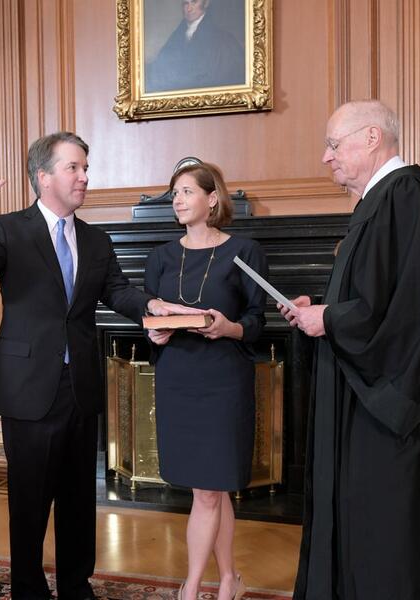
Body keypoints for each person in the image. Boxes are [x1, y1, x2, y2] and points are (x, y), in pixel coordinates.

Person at [0, 132, 199, 600]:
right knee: (29, 499)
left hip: (80, 385)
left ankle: (75, 585)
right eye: (75, 168)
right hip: (27, 387)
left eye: (86, 167)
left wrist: (152, 306)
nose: (85, 176)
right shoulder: (7, 229)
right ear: (43, 176)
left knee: (78, 498)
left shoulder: (95, 238)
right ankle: (27, 588)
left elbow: (117, 291)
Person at [280, 100, 420, 599]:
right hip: (367, 398)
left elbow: (415, 311)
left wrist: (329, 318)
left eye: (334, 144)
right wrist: (324, 306)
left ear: (371, 138)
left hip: (393, 409)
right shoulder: (381, 201)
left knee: (388, 530)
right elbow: (374, 296)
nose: (326, 157)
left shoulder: (408, 197)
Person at [144, 162, 266, 600]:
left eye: (186, 191)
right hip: (177, 377)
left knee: (210, 492)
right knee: (211, 489)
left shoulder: (244, 251)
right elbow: (154, 321)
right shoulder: (159, 257)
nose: (177, 200)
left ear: (213, 199)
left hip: (223, 380)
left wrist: (227, 327)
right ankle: (229, 579)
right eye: (174, 193)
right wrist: (155, 332)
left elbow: (258, 320)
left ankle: (192, 588)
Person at [145, 0, 245, 93]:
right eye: (185, 3)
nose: (189, 9)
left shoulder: (223, 40)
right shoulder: (176, 36)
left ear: (205, 3)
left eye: (194, 2)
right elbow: (160, 69)